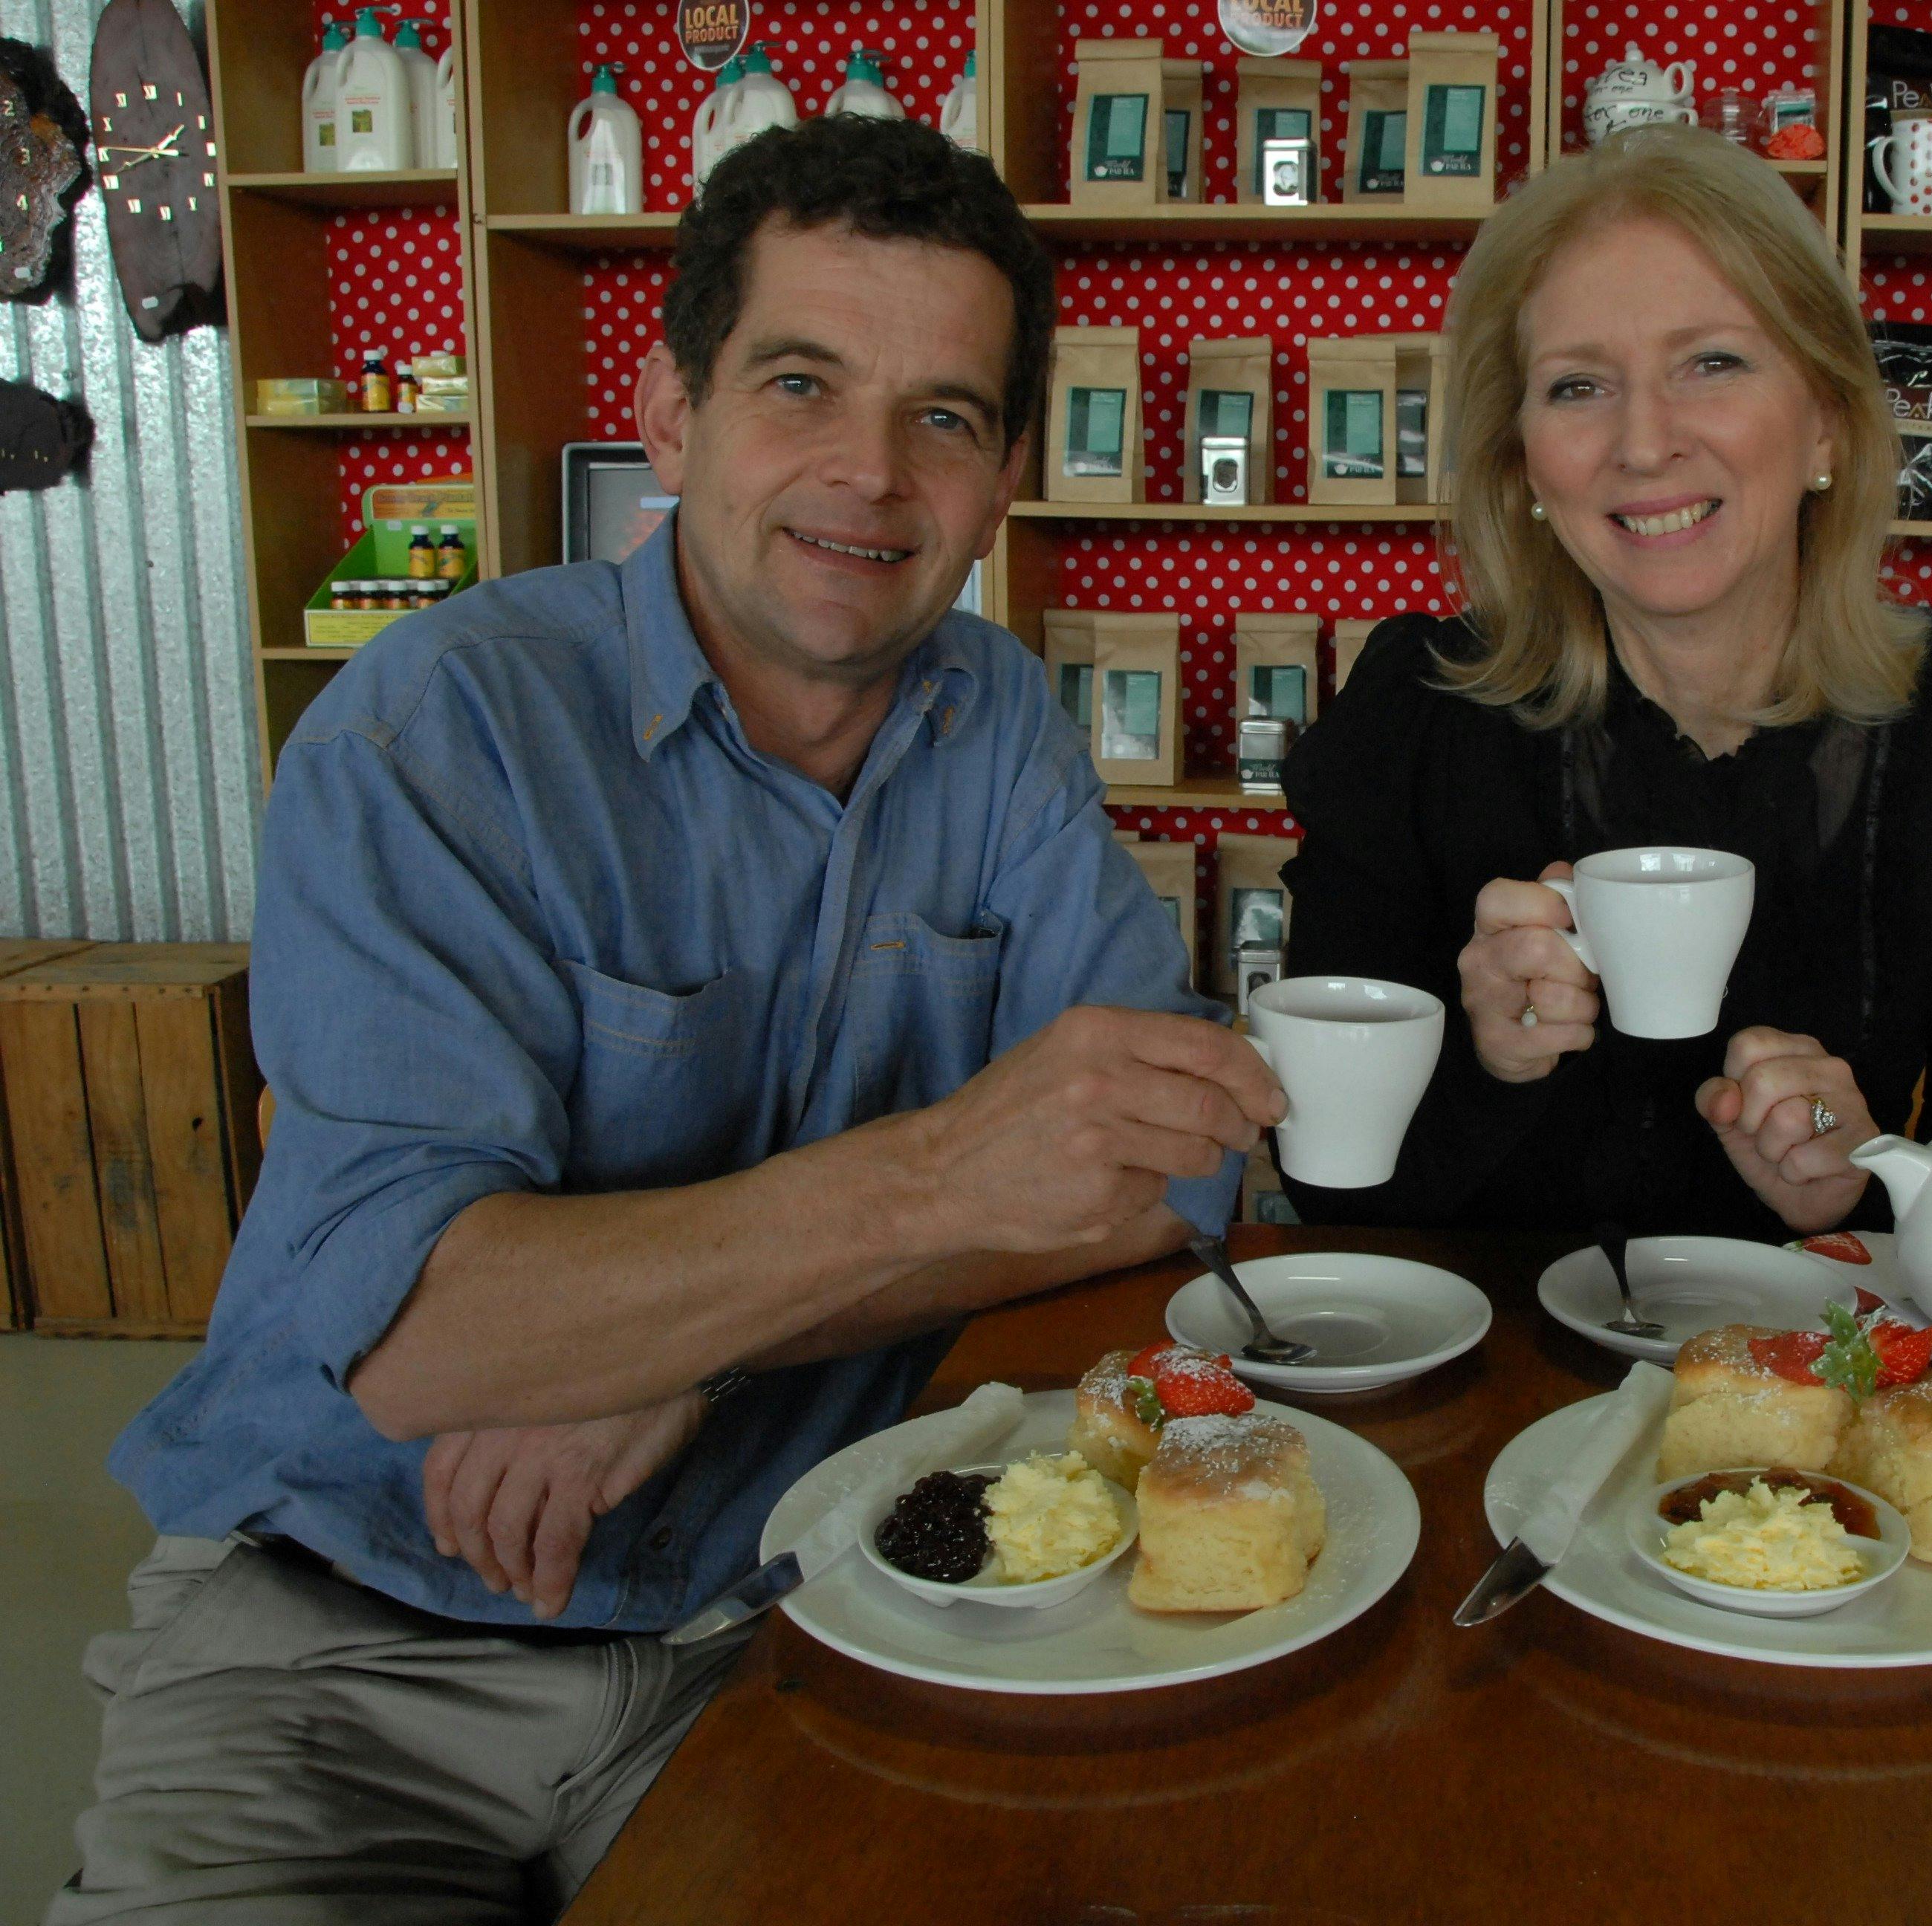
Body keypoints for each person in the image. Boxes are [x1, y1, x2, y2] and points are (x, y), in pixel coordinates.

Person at [52, 117, 1282, 1925]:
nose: (868, 475)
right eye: (802, 383)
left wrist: (678, 1360)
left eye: (943, 415)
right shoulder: (434, 733)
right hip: (342, 1635)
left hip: (795, 1619)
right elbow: (425, 1338)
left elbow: (1166, 1180)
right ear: (672, 412)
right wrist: (950, 1170)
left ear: (1010, 467)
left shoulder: (997, 716)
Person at [1280, 127, 1932, 1242]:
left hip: (1828, 1393)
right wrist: (1489, 1065)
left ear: (1827, 417)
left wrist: (1860, 1185)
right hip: (1484, 1386)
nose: (1644, 444)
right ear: (1522, 459)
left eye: (1713, 364)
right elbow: (1327, 1199)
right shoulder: (1416, 718)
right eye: (1578, 385)